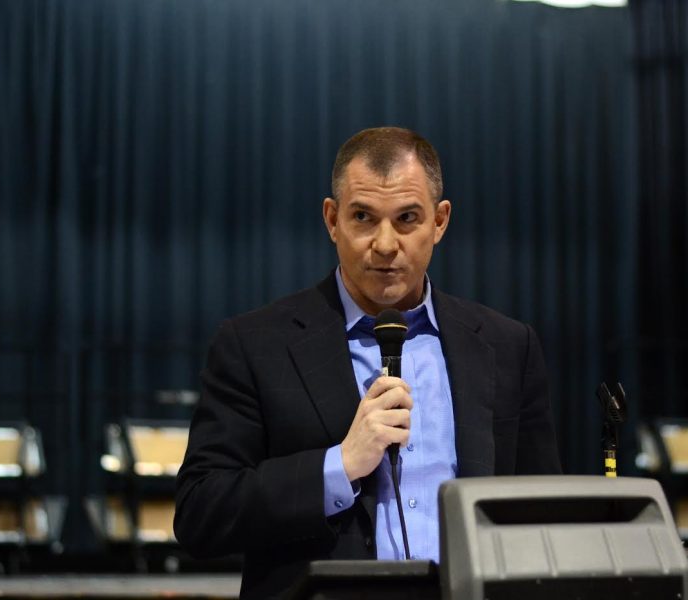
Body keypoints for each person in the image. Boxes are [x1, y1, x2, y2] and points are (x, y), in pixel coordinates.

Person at [174, 127, 561, 599]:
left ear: (439, 222)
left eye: (406, 219)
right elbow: (200, 513)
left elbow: (542, 514)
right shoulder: (254, 344)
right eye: (363, 217)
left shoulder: (507, 345)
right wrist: (339, 466)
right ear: (332, 219)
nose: (383, 243)